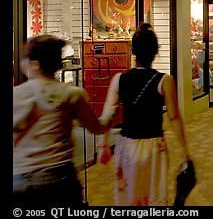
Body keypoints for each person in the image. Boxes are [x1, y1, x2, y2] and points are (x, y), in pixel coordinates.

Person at [13, 35, 115, 206]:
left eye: (26, 59)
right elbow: (96, 127)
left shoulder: (17, 95)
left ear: (35, 64)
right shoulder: (73, 94)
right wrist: (111, 114)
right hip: (60, 178)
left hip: (22, 179)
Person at [98, 23, 191, 206]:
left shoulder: (119, 79)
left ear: (134, 52)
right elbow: (174, 118)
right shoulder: (165, 81)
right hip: (154, 146)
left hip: (126, 146)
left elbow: (107, 114)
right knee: (154, 196)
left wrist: (104, 146)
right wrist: (185, 151)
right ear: (156, 52)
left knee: (128, 197)